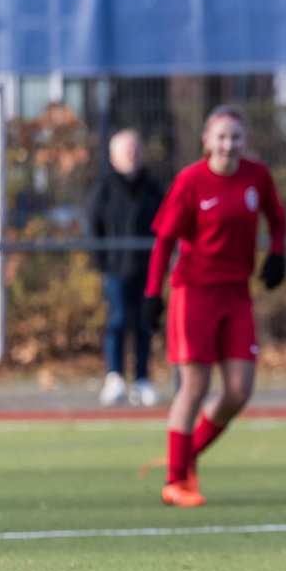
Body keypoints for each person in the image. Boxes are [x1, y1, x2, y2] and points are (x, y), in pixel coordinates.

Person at [142, 105, 286, 507]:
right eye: (221, 137)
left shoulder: (257, 175)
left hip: (236, 293)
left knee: (240, 390)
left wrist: (277, 254)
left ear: (245, 141)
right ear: (207, 141)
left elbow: (277, 219)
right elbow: (164, 241)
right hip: (194, 293)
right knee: (195, 386)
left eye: (235, 137)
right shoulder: (190, 181)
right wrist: (153, 294)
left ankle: (183, 456)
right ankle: (176, 481)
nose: (228, 145)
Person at [87, 129, 164, 407]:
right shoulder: (104, 189)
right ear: (113, 155)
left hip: (147, 269)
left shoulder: (153, 188)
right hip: (116, 269)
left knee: (145, 323)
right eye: (125, 150)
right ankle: (115, 377)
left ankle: (143, 379)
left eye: (135, 149)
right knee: (118, 321)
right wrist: (101, 263)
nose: (131, 155)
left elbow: (165, 229)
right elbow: (93, 228)